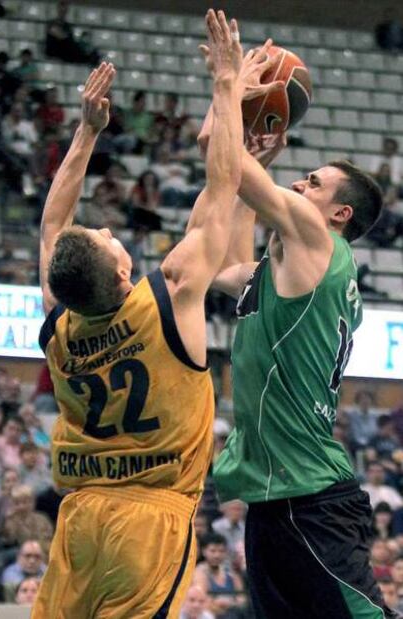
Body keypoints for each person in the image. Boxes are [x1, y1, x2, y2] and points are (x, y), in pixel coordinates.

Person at [31, 13, 268, 617]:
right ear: (118, 274)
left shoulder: (60, 322)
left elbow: (52, 227)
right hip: (151, 519)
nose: (111, 229)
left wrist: (85, 134)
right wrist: (225, 83)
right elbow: (219, 191)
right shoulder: (168, 296)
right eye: (110, 240)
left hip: (80, 518)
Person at [198, 31, 392, 617]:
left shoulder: (321, 245)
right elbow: (225, 262)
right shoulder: (283, 268)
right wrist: (241, 157)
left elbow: (220, 157)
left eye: (312, 182)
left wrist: (230, 83)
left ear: (339, 213)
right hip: (272, 495)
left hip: (308, 495)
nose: (297, 183)